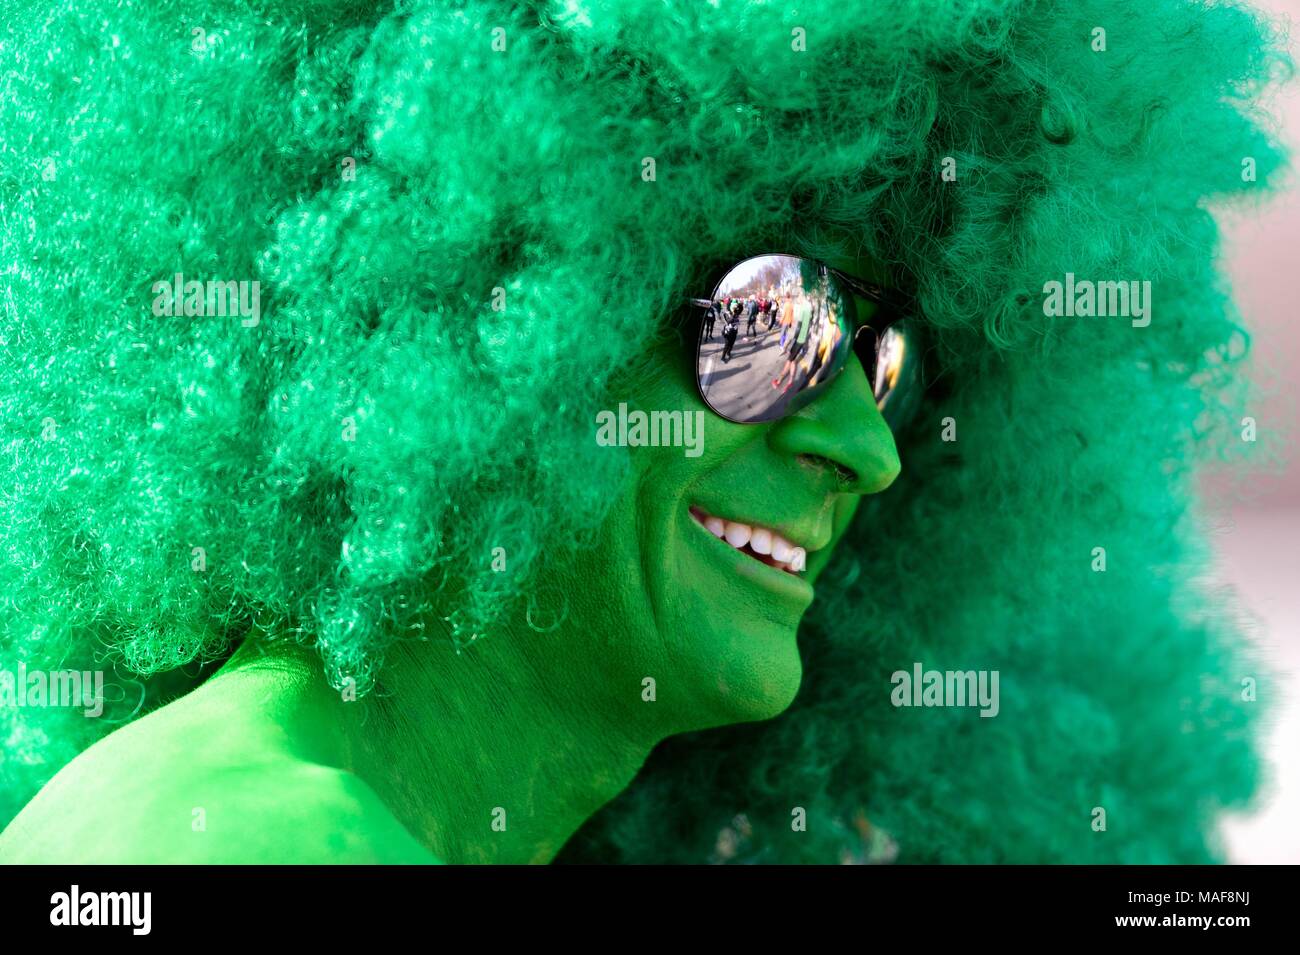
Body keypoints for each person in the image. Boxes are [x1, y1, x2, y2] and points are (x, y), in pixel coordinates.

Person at [0, 0, 1284, 866]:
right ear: (484, 295)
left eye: (888, 363)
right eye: (773, 319)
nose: (870, 451)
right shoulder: (230, 839)